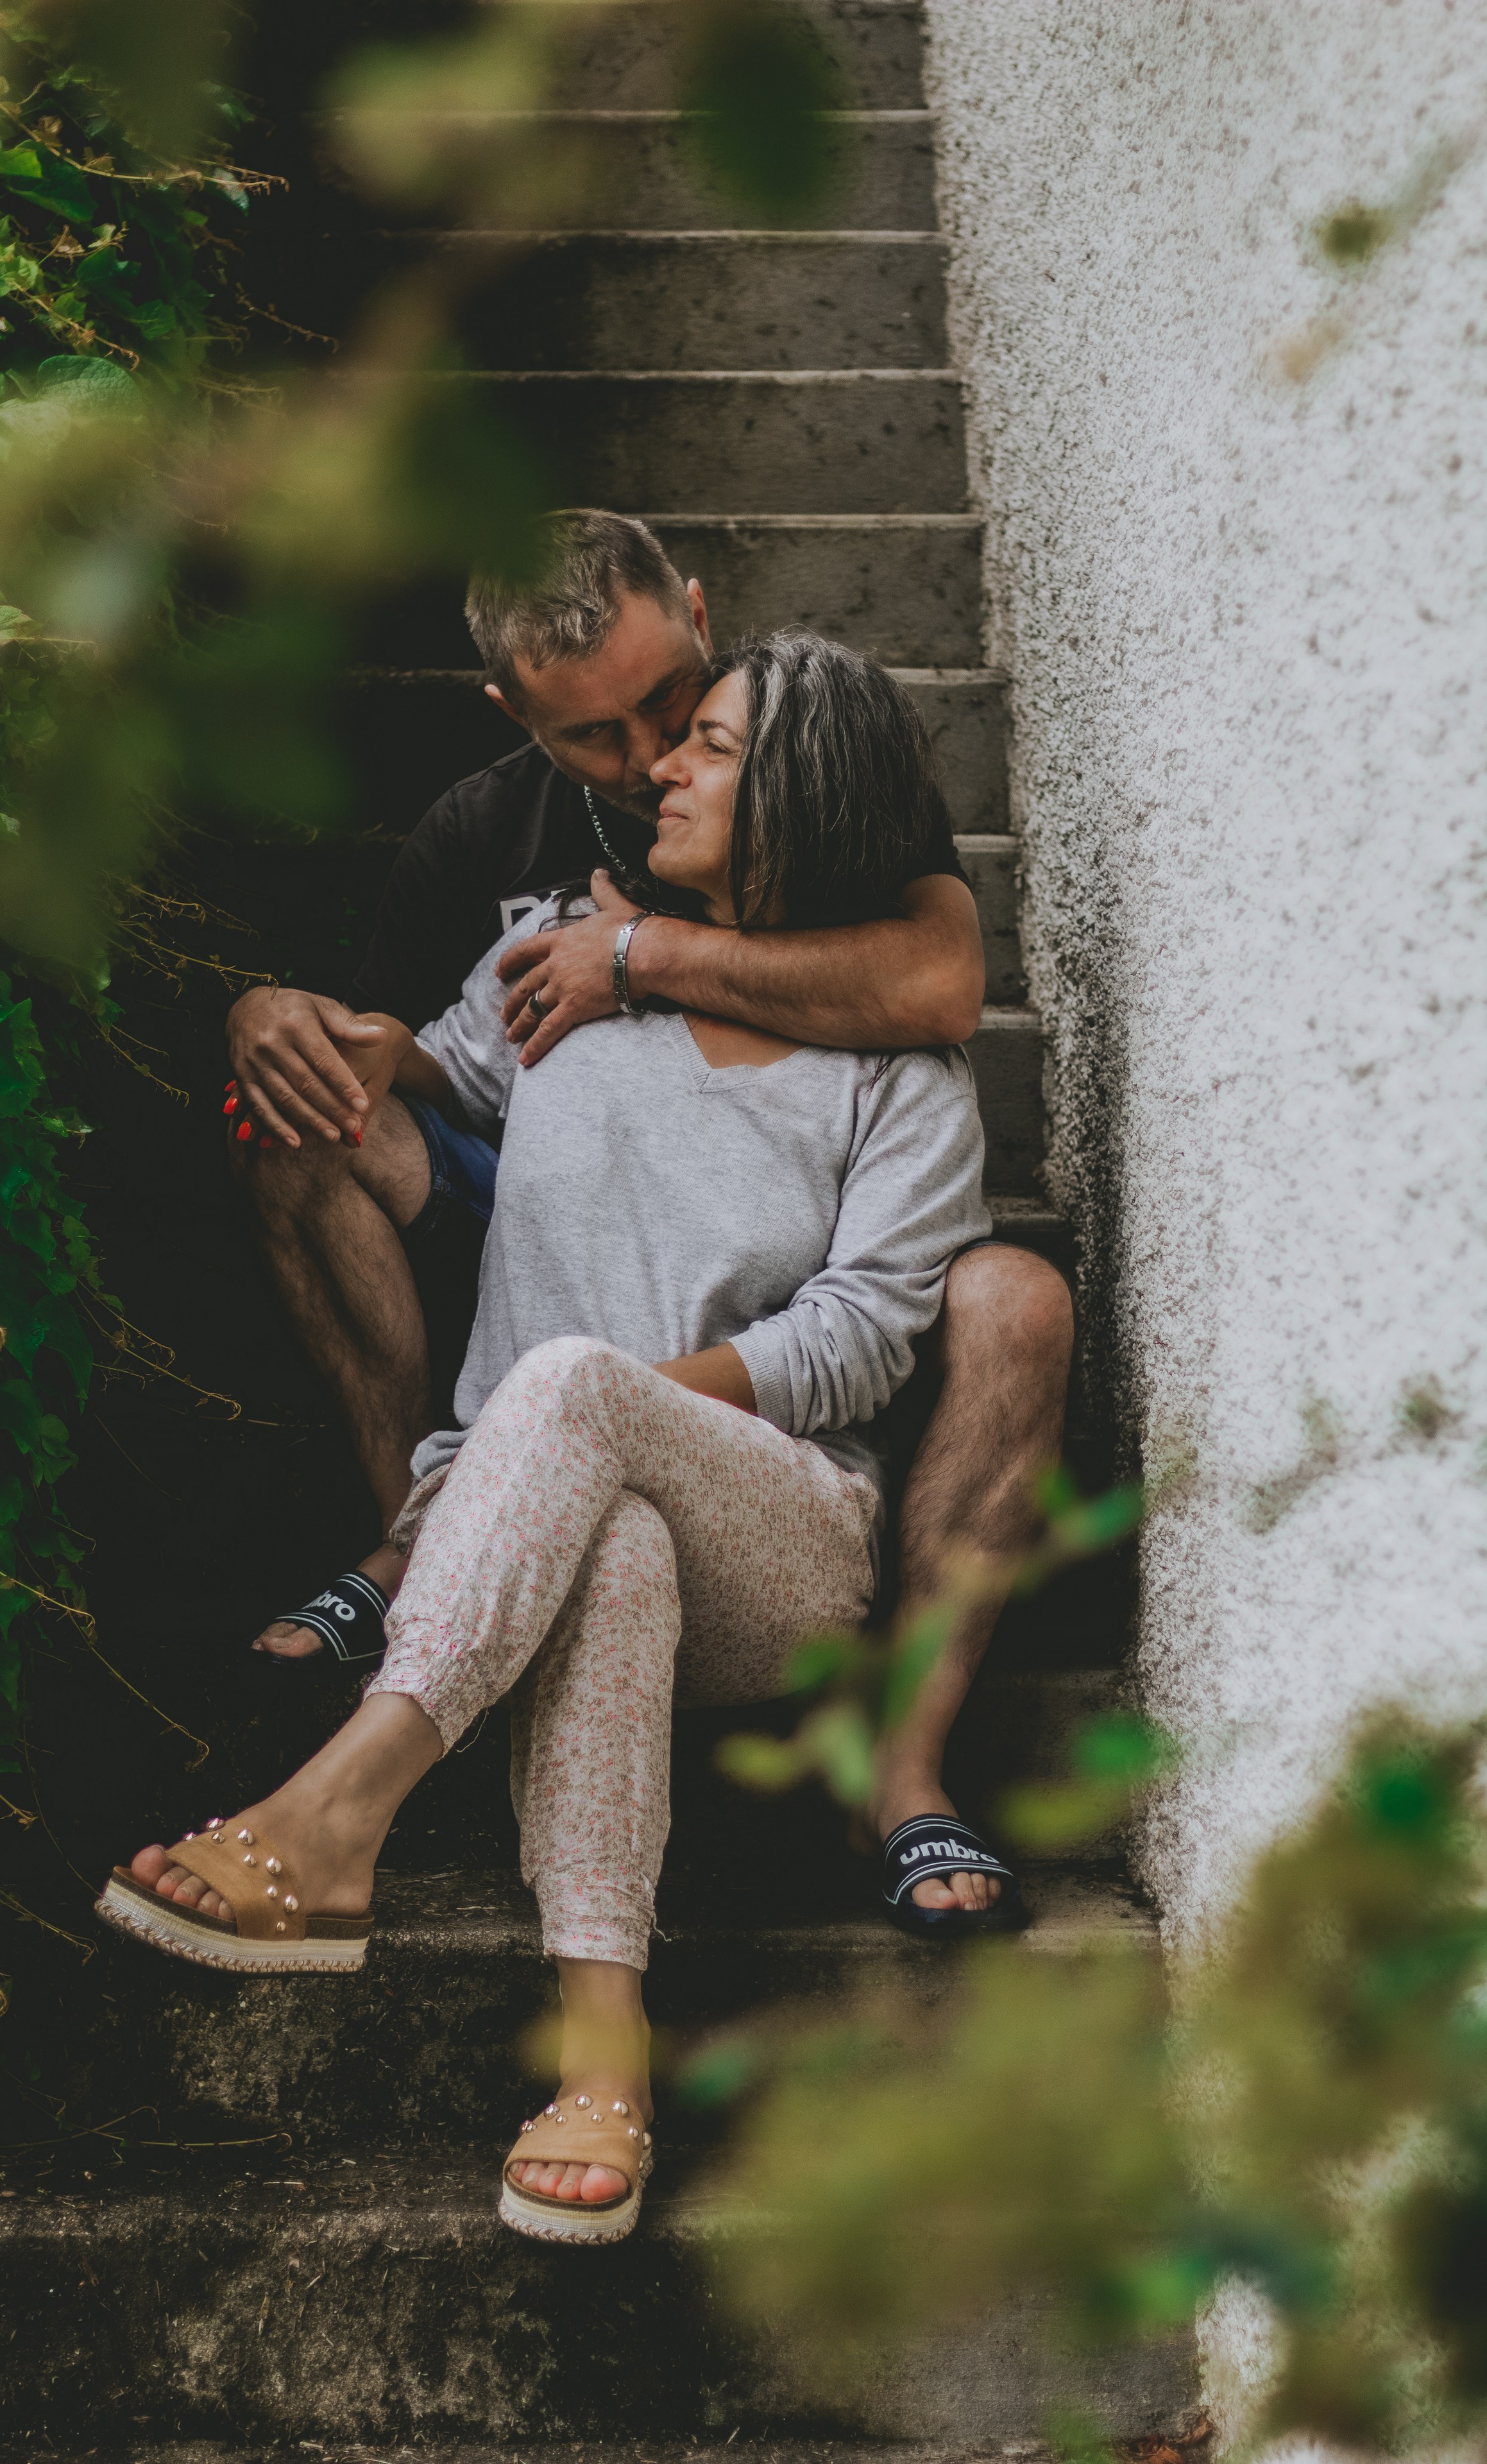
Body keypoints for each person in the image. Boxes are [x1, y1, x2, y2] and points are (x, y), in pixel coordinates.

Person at [98, 635, 1021, 2248]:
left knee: (576, 1399)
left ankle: (336, 1813)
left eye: (710, 745)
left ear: (801, 788)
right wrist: (277, 1012)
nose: (659, 763)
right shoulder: (546, 966)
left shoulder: (899, 1077)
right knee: (613, 1533)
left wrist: (602, 1409)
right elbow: (407, 1073)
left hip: (788, 1545)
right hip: (561, 1530)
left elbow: (866, 1337)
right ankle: (603, 2058)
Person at [222, 511, 1073, 1924]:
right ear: (511, 712)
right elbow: (436, 1053)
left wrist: (638, 952)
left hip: (768, 1403)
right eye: (594, 740)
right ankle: (430, 1543)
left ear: (695, 611)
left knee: (1008, 1293)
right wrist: (278, 1018)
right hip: (549, 1204)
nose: (648, 760)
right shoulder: (484, 840)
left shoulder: (800, 733)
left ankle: (898, 1762)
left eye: (675, 716)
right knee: (297, 1114)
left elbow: (930, 992)